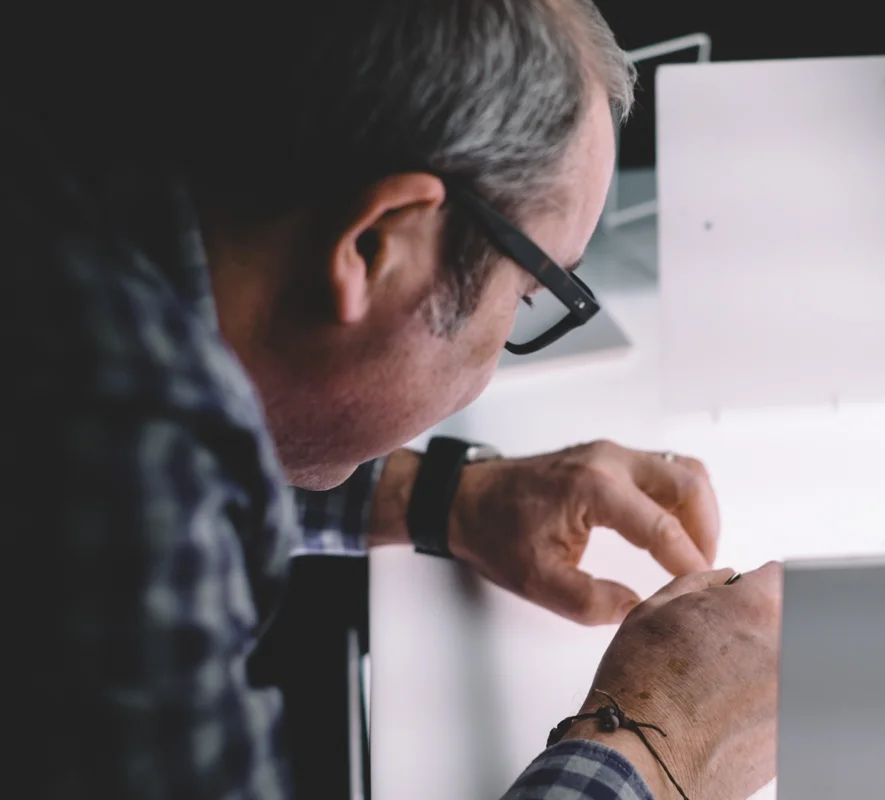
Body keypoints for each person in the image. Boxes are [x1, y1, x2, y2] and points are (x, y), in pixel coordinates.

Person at [5, 1, 780, 798]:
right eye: (529, 293)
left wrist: (445, 496)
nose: (514, 321)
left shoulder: (68, 188)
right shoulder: (123, 462)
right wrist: (658, 745)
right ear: (377, 243)